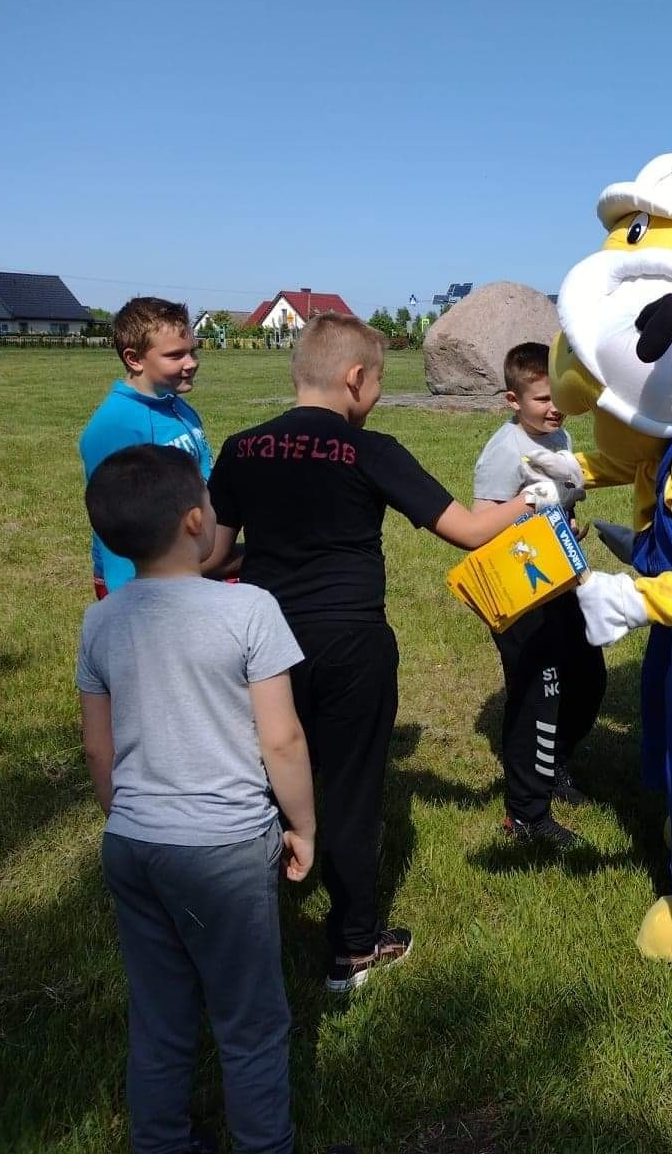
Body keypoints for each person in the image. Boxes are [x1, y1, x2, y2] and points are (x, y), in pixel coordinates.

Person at [204, 313, 562, 993]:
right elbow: (466, 530)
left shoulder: (242, 447)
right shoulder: (370, 449)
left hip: (259, 644)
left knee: (263, 783)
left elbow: (214, 557)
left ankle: (244, 931)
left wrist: (276, 550)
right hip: (350, 643)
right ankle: (354, 948)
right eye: (378, 381)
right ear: (355, 379)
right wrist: (529, 499)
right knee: (351, 790)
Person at [77, 444, 315, 1154]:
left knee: (159, 1015)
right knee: (250, 1021)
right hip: (225, 846)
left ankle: (160, 1143)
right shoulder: (250, 608)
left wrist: (126, 815)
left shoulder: (101, 621)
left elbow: (97, 750)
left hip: (132, 842)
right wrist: (303, 826)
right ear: (194, 521)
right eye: (211, 502)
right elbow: (282, 740)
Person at [471, 342, 605, 846]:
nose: (554, 408)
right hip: (520, 592)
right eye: (542, 399)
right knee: (538, 694)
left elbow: (562, 503)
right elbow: (481, 525)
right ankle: (526, 815)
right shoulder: (505, 451)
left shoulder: (559, 434)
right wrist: (532, 525)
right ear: (513, 400)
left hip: (562, 580)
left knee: (588, 678)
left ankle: (553, 764)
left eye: (558, 398)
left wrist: (567, 527)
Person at [78, 297, 212, 598]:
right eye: (175, 355)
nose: (191, 363)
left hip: (184, 563)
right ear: (134, 359)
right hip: (144, 586)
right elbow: (120, 517)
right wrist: (135, 600)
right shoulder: (115, 426)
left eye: (192, 351)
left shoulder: (177, 407)